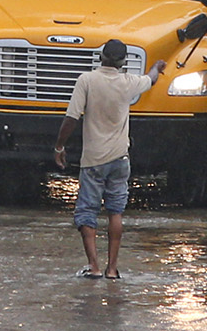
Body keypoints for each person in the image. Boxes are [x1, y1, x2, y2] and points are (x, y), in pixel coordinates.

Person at [52, 40, 156, 277]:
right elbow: (151, 79)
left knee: (87, 211)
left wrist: (59, 146)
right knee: (115, 211)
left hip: (94, 161)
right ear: (123, 62)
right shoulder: (128, 82)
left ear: (101, 56)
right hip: (121, 159)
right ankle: (112, 269)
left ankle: (94, 266)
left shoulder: (86, 81)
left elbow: (71, 117)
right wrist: (157, 68)